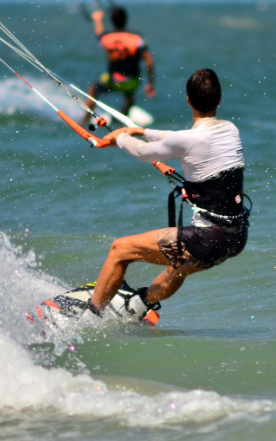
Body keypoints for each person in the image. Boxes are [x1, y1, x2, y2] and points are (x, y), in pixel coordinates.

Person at [88, 68, 249, 319]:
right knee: (178, 267)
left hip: (206, 239)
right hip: (237, 237)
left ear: (187, 99)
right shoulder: (231, 130)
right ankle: (136, 307)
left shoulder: (188, 140)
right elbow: (178, 139)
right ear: (218, 99)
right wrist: (140, 131)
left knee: (119, 250)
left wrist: (120, 137)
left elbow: (144, 153)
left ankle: (89, 317)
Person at [84, 6, 155, 123]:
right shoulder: (138, 38)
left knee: (92, 90)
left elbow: (99, 34)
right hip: (132, 82)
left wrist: (97, 19)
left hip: (113, 80)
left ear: (111, 21)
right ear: (126, 20)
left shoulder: (106, 38)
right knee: (130, 94)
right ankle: (122, 115)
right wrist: (151, 83)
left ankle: (86, 119)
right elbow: (149, 61)